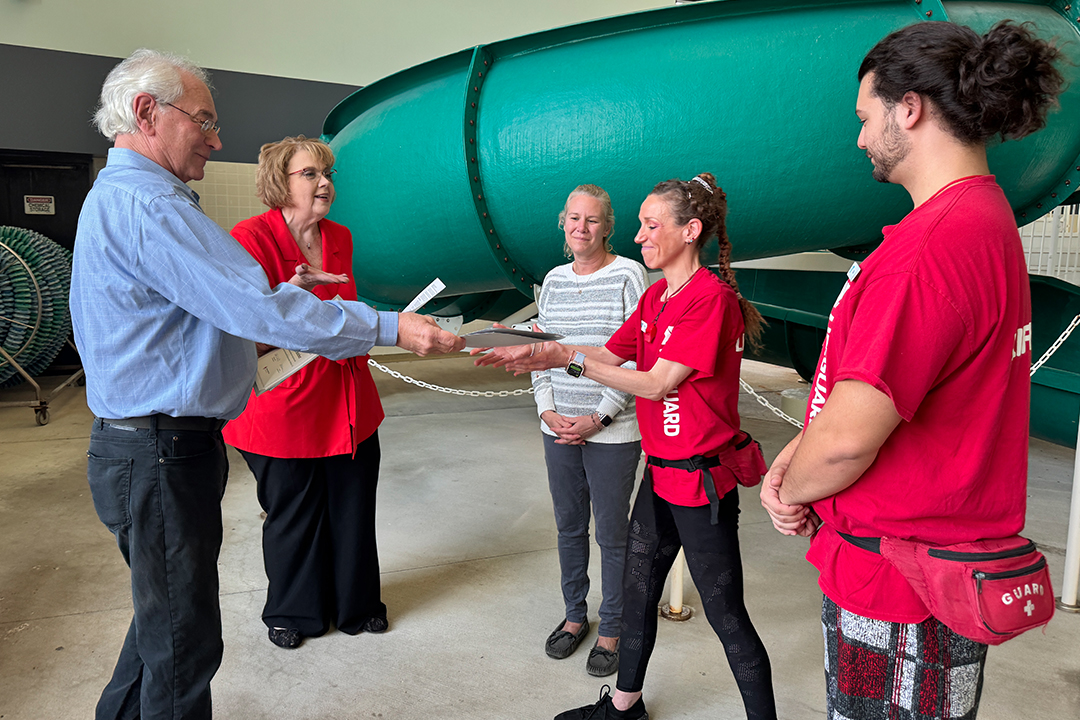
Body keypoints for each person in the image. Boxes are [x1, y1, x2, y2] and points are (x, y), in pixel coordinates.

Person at [71, 49, 463, 720]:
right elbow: (259, 309)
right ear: (146, 112)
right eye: (204, 121)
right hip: (160, 451)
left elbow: (203, 323)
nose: (217, 140)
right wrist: (392, 327)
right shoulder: (150, 207)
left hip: (154, 447)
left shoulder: (136, 200)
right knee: (181, 647)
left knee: (159, 627)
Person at [759, 20, 1064, 720]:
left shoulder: (926, 253)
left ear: (910, 108)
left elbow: (848, 439)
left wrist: (790, 490)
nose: (860, 138)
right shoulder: (986, 222)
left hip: (897, 588)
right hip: (941, 574)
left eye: (866, 118)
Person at [478, 173, 775, 720]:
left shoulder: (708, 300)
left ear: (690, 231)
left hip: (701, 483)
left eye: (649, 225)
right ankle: (624, 707)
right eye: (638, 225)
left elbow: (657, 381)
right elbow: (611, 356)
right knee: (638, 593)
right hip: (662, 477)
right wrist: (535, 348)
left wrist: (564, 358)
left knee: (725, 614)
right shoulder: (660, 294)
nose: (638, 236)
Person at [222, 136, 389, 650]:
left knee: (353, 506)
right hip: (283, 403)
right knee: (294, 513)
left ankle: (357, 605)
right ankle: (293, 611)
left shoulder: (339, 235)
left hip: (346, 398)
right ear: (280, 181)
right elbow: (244, 321)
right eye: (310, 173)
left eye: (328, 173)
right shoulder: (250, 236)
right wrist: (292, 292)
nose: (325, 183)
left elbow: (347, 314)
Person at [531, 184, 648, 676]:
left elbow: (642, 355)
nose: (582, 227)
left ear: (609, 226)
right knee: (568, 527)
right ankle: (575, 616)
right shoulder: (554, 280)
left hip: (612, 430)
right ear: (563, 223)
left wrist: (598, 417)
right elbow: (539, 349)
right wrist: (546, 409)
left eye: (593, 220)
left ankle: (614, 628)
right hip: (558, 426)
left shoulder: (628, 275)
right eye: (574, 218)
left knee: (613, 535)